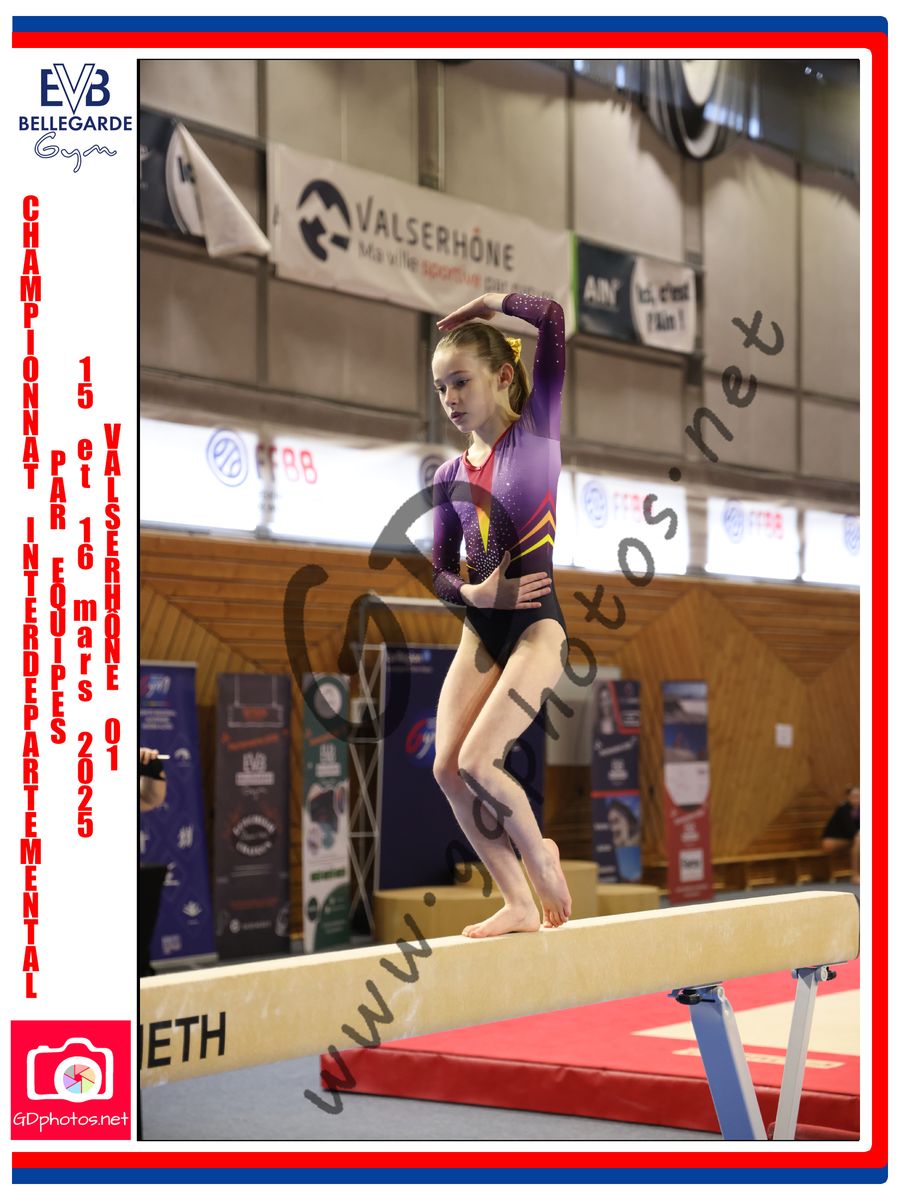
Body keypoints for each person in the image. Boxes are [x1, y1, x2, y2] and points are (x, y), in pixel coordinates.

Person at [430, 291, 572, 938]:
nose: (450, 398)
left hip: (537, 629)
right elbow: (439, 570)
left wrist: (488, 304)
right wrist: (475, 597)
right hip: (482, 628)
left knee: (480, 762)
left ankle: (539, 855)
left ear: (504, 376)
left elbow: (552, 319)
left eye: (461, 381)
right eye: (441, 388)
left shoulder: (536, 435)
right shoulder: (448, 475)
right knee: (447, 768)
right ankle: (517, 902)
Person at [821, 785, 860, 884]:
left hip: (850, 839)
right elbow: (850, 830)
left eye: (859, 796)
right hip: (832, 841)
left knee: (859, 841)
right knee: (858, 840)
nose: (856, 799)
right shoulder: (843, 808)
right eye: (854, 796)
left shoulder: (860, 809)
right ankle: (855, 875)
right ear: (848, 797)